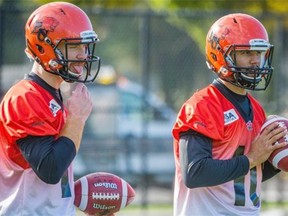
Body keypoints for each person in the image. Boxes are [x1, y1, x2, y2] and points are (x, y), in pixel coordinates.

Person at [172, 13, 288, 216]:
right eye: (246, 53)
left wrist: (279, 156)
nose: (255, 61)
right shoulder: (202, 105)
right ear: (220, 55)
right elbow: (194, 172)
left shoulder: (256, 109)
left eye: (259, 53)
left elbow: (246, 178)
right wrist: (251, 159)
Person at [0, 2, 104, 215]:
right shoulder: (25, 97)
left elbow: (56, 175)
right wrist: (77, 119)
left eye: (85, 46)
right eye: (74, 46)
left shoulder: (54, 95)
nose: (84, 55)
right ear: (43, 47)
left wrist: (76, 196)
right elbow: (50, 169)